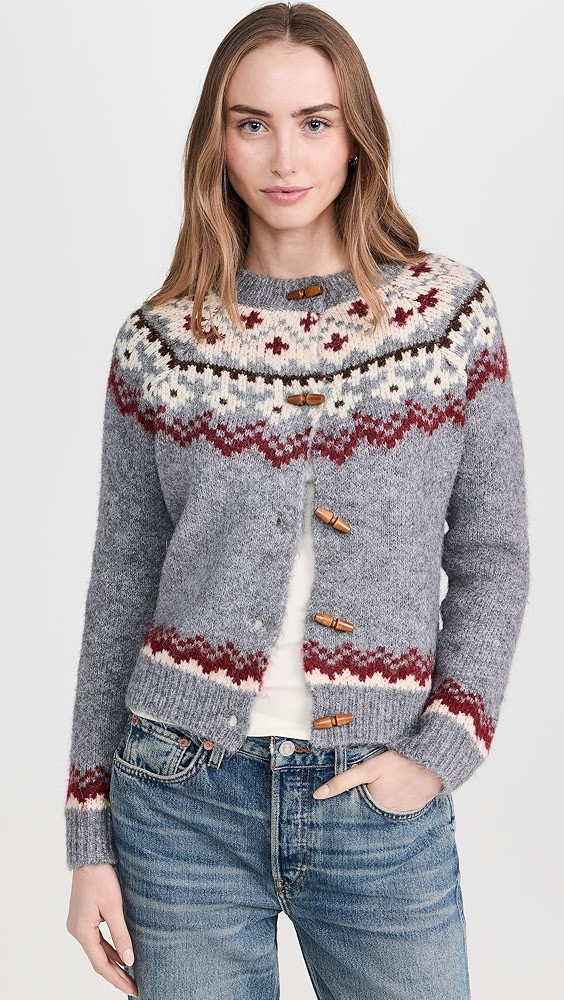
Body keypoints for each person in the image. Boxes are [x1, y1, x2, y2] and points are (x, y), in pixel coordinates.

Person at [64, 3, 530, 998]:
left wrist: (441, 751)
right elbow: (121, 583)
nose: (285, 157)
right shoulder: (161, 342)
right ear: (217, 141)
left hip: (379, 793)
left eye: (315, 122)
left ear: (356, 134)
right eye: (253, 123)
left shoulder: (446, 317)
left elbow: (495, 552)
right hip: (177, 796)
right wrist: (87, 834)